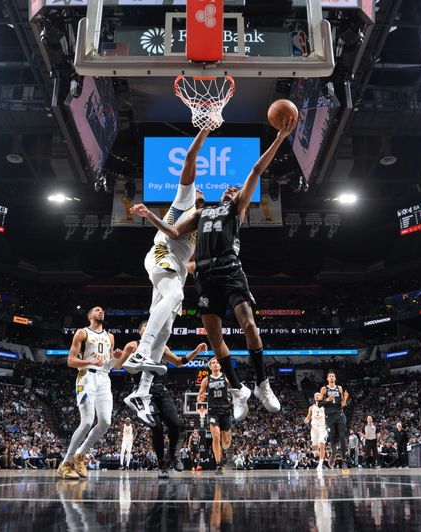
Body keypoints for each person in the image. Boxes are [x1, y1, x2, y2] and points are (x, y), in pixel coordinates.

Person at [130, 116, 297, 421]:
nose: (233, 189)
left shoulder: (237, 208)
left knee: (248, 325)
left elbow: (257, 170)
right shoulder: (200, 214)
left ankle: (262, 383)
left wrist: (280, 138)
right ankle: (237, 391)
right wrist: (148, 215)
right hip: (204, 275)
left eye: (236, 189)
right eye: (230, 188)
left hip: (231, 269)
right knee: (215, 338)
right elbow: (173, 233)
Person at [123, 129, 210, 426]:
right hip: (162, 254)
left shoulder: (202, 234)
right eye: (199, 191)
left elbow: (194, 264)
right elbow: (190, 157)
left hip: (176, 269)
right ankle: (141, 352)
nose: (199, 191)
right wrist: (206, 128)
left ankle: (141, 393)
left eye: (201, 193)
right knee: (176, 297)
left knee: (166, 329)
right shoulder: (186, 199)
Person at [122, 320, 206, 478]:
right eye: (145, 326)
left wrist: (196, 351)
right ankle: (161, 463)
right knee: (157, 427)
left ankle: (172, 456)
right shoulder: (133, 346)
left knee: (175, 424)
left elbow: (179, 362)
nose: (150, 327)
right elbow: (120, 366)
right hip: (143, 391)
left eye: (151, 325)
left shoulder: (162, 346)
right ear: (140, 332)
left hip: (161, 390)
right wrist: (119, 357)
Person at [58, 306, 132, 480]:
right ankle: (65, 463)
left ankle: (80, 455)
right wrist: (87, 361)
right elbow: (70, 361)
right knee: (87, 421)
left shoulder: (110, 337)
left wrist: (117, 356)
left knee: (106, 422)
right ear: (90, 315)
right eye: (97, 310)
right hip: (86, 377)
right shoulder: (82, 333)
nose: (101, 312)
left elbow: (112, 366)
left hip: (104, 378)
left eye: (102, 311)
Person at [198, 358, 234, 476]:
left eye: (217, 362)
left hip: (226, 410)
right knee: (216, 436)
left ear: (220, 365)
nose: (215, 364)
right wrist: (200, 398)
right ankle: (218, 464)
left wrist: (234, 398)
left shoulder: (226, 377)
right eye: (212, 363)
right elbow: (200, 395)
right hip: (213, 411)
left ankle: (222, 450)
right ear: (210, 367)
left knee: (226, 441)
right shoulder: (206, 380)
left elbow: (235, 390)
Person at [320, 371, 349, 469]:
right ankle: (334, 453)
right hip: (330, 416)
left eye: (333, 376)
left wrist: (345, 398)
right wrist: (326, 400)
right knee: (333, 438)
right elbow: (319, 404)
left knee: (342, 436)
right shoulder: (324, 389)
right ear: (327, 379)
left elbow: (343, 404)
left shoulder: (339, 388)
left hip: (340, 414)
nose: (331, 377)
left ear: (335, 378)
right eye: (330, 376)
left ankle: (344, 460)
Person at [304, 392, 327, 471]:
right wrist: (306, 420)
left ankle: (320, 464)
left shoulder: (325, 406)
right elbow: (308, 416)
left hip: (322, 428)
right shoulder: (311, 407)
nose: (317, 396)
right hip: (314, 428)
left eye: (318, 395)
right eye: (315, 395)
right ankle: (317, 460)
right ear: (314, 398)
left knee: (322, 445)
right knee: (314, 447)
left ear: (321, 397)